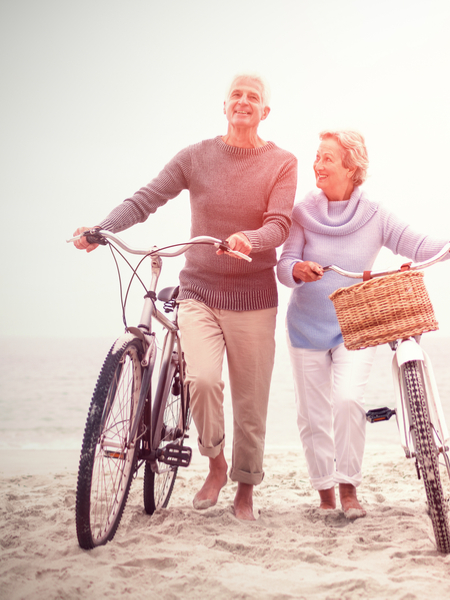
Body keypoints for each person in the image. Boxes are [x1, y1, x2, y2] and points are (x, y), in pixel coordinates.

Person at [72, 73, 297, 521]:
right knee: (203, 381)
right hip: (200, 291)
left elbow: (279, 226)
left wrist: (248, 240)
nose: (244, 102)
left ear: (265, 111)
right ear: (225, 104)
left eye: (254, 97)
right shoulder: (196, 156)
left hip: (254, 298)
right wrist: (104, 228)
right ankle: (215, 464)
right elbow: (146, 198)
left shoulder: (282, 163)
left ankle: (245, 492)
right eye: (237, 94)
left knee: (251, 403)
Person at [276, 130, 450, 518]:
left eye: (327, 158)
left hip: (355, 328)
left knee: (349, 400)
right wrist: (298, 270)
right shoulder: (302, 213)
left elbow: (417, 245)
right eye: (316, 156)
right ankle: (324, 493)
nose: (317, 164)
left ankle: (349, 488)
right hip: (305, 327)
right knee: (312, 414)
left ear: (351, 167)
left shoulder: (374, 213)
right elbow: (284, 265)